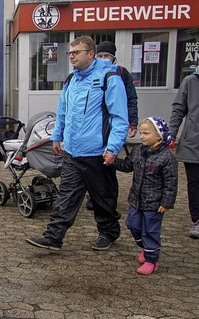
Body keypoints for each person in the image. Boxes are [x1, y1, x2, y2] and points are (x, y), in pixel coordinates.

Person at [26, 36, 129, 251]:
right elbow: (63, 110)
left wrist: (113, 148)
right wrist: (57, 136)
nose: (71, 56)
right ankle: (53, 237)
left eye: (76, 52)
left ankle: (108, 232)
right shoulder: (71, 80)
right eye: (70, 53)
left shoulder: (109, 77)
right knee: (67, 195)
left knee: (102, 197)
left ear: (90, 54)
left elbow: (119, 117)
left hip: (98, 152)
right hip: (72, 150)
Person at [112, 117, 178, 275]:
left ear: (159, 136)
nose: (142, 136)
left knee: (150, 231)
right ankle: (146, 248)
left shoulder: (167, 158)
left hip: (154, 204)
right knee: (133, 224)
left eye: (146, 133)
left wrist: (166, 202)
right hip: (136, 199)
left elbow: (171, 182)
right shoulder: (138, 151)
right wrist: (113, 161)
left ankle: (151, 260)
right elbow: (128, 166)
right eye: (141, 133)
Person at [169, 46, 199, 239]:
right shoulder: (190, 81)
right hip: (192, 141)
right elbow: (178, 109)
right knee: (194, 182)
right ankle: (198, 220)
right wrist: (171, 134)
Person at [86, 40, 140, 210]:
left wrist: (132, 123)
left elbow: (131, 99)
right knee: (93, 163)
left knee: (109, 162)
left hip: (114, 125)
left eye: (107, 56)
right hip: (95, 125)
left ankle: (109, 197)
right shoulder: (90, 73)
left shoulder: (122, 74)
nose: (103, 59)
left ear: (113, 58)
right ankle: (91, 195)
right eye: (100, 56)